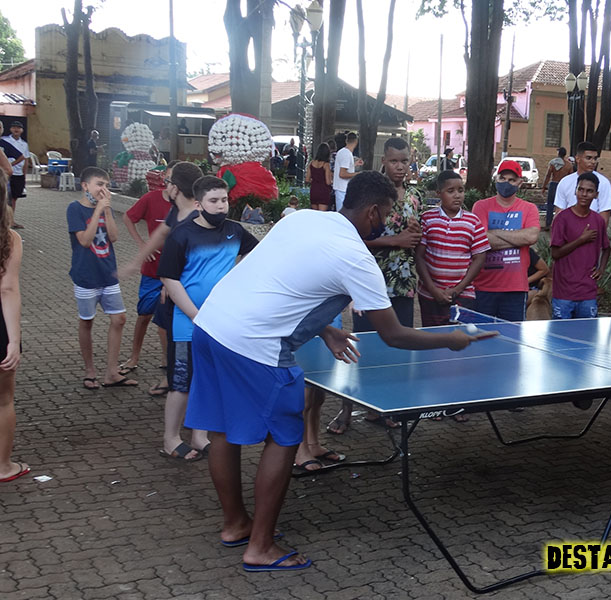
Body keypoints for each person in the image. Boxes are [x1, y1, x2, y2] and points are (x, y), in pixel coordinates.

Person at [182, 170, 485, 571]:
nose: (385, 223)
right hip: (256, 345)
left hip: (210, 325)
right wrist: (450, 339)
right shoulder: (357, 257)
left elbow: (281, 283)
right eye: (386, 215)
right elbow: (394, 334)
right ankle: (260, 547)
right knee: (284, 437)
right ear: (373, 211)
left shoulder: (303, 219)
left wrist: (325, 329)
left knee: (221, 430)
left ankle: (236, 524)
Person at [158, 175, 259, 461]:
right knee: (181, 383)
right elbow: (169, 278)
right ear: (199, 204)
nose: (220, 206)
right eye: (213, 201)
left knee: (208, 381)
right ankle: (170, 439)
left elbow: (257, 253)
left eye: (224, 200)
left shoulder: (235, 231)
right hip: (187, 324)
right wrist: (196, 315)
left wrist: (237, 279)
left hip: (220, 324)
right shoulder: (181, 235)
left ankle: (199, 436)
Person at [327, 137, 422, 436]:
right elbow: (353, 239)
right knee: (361, 348)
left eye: (404, 161)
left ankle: (383, 407)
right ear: (384, 160)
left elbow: (416, 243)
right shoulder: (368, 192)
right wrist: (395, 241)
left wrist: (414, 239)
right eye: (394, 161)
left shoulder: (416, 197)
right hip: (367, 283)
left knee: (398, 350)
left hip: (403, 284)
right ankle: (346, 409)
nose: (399, 167)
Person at [68, 167, 137, 389]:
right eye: (99, 184)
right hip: (86, 275)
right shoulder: (75, 209)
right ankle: (90, 371)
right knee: (87, 321)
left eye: (106, 185)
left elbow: (114, 237)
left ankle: (111, 372)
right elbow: (85, 241)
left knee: (119, 319)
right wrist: (98, 209)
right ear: (85, 186)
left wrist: (106, 210)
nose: (103, 189)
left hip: (108, 274)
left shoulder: (105, 207)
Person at [119, 161, 177, 394]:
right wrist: (142, 244)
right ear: (164, 178)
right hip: (153, 271)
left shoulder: (188, 205)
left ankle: (167, 361)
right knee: (144, 315)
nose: (173, 185)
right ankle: (134, 356)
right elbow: (128, 217)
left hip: (176, 275)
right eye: (170, 179)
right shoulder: (151, 199)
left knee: (167, 322)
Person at [416, 170, 490, 327]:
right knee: (432, 337)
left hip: (463, 295)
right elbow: (419, 256)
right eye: (450, 191)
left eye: (460, 190)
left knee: (460, 337)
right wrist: (433, 289)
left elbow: (479, 257)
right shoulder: (427, 219)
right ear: (439, 193)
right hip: (430, 295)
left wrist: (458, 289)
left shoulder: (473, 221)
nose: (457, 195)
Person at [471, 159, 540, 321]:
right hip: (484, 287)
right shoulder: (481, 206)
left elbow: (531, 236)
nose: (506, 183)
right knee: (482, 335)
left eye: (511, 180)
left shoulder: (529, 208)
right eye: (502, 178)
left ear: (520, 183)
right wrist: (518, 238)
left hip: (516, 289)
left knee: (512, 336)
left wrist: (493, 233)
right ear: (496, 178)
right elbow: (482, 240)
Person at [549, 172, 610, 319]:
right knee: (561, 333)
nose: (584, 194)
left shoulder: (598, 220)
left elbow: (607, 248)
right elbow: (555, 253)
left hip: (588, 292)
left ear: (596, 195)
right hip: (564, 292)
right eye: (580, 189)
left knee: (587, 332)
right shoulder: (562, 218)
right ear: (575, 191)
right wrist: (581, 240)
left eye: (589, 191)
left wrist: (601, 269)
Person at [0, 170, 27, 483]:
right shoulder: (10, 239)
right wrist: (13, 340)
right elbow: (7, 289)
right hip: (1, 324)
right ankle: (3, 465)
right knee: (4, 399)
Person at [554, 141, 611, 225]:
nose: (593, 162)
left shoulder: (603, 183)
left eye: (595, 158)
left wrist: (596, 232)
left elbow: (604, 215)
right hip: (568, 230)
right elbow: (559, 213)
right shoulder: (565, 182)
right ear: (577, 159)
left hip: (592, 229)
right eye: (588, 158)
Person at [1, 121, 29, 230]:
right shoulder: (5, 140)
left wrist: (24, 175)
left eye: (18, 128)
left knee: (13, 198)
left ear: (22, 130)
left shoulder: (24, 144)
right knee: (6, 198)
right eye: (14, 127)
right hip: (5, 175)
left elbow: (24, 158)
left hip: (18, 173)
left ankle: (10, 220)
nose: (16, 130)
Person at [541, 147, 572, 227]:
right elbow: (570, 177)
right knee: (562, 205)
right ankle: (560, 224)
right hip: (563, 185)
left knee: (550, 204)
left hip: (553, 184)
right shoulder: (568, 165)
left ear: (558, 153)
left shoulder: (553, 163)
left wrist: (544, 186)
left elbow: (548, 175)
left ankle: (548, 223)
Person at [332, 132, 363, 212]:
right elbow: (342, 174)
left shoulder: (342, 152)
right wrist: (358, 174)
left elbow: (344, 168)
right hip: (342, 189)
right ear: (356, 142)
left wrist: (354, 164)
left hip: (342, 188)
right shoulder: (346, 154)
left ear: (346, 141)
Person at [306, 144, 333, 211]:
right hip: (323, 191)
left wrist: (314, 181)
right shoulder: (326, 165)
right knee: (322, 214)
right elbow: (328, 182)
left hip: (314, 190)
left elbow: (307, 179)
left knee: (315, 214)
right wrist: (332, 181)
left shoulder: (311, 163)